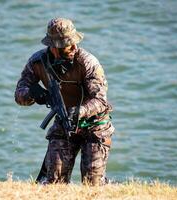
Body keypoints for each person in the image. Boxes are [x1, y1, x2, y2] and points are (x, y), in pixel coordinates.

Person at [14, 17, 115, 186]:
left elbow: (100, 101)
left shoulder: (88, 62)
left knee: (93, 185)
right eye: (68, 45)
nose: (74, 47)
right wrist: (33, 93)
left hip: (94, 125)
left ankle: (108, 185)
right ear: (53, 48)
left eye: (74, 42)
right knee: (54, 183)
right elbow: (19, 95)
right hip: (64, 123)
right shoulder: (37, 62)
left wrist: (80, 111)